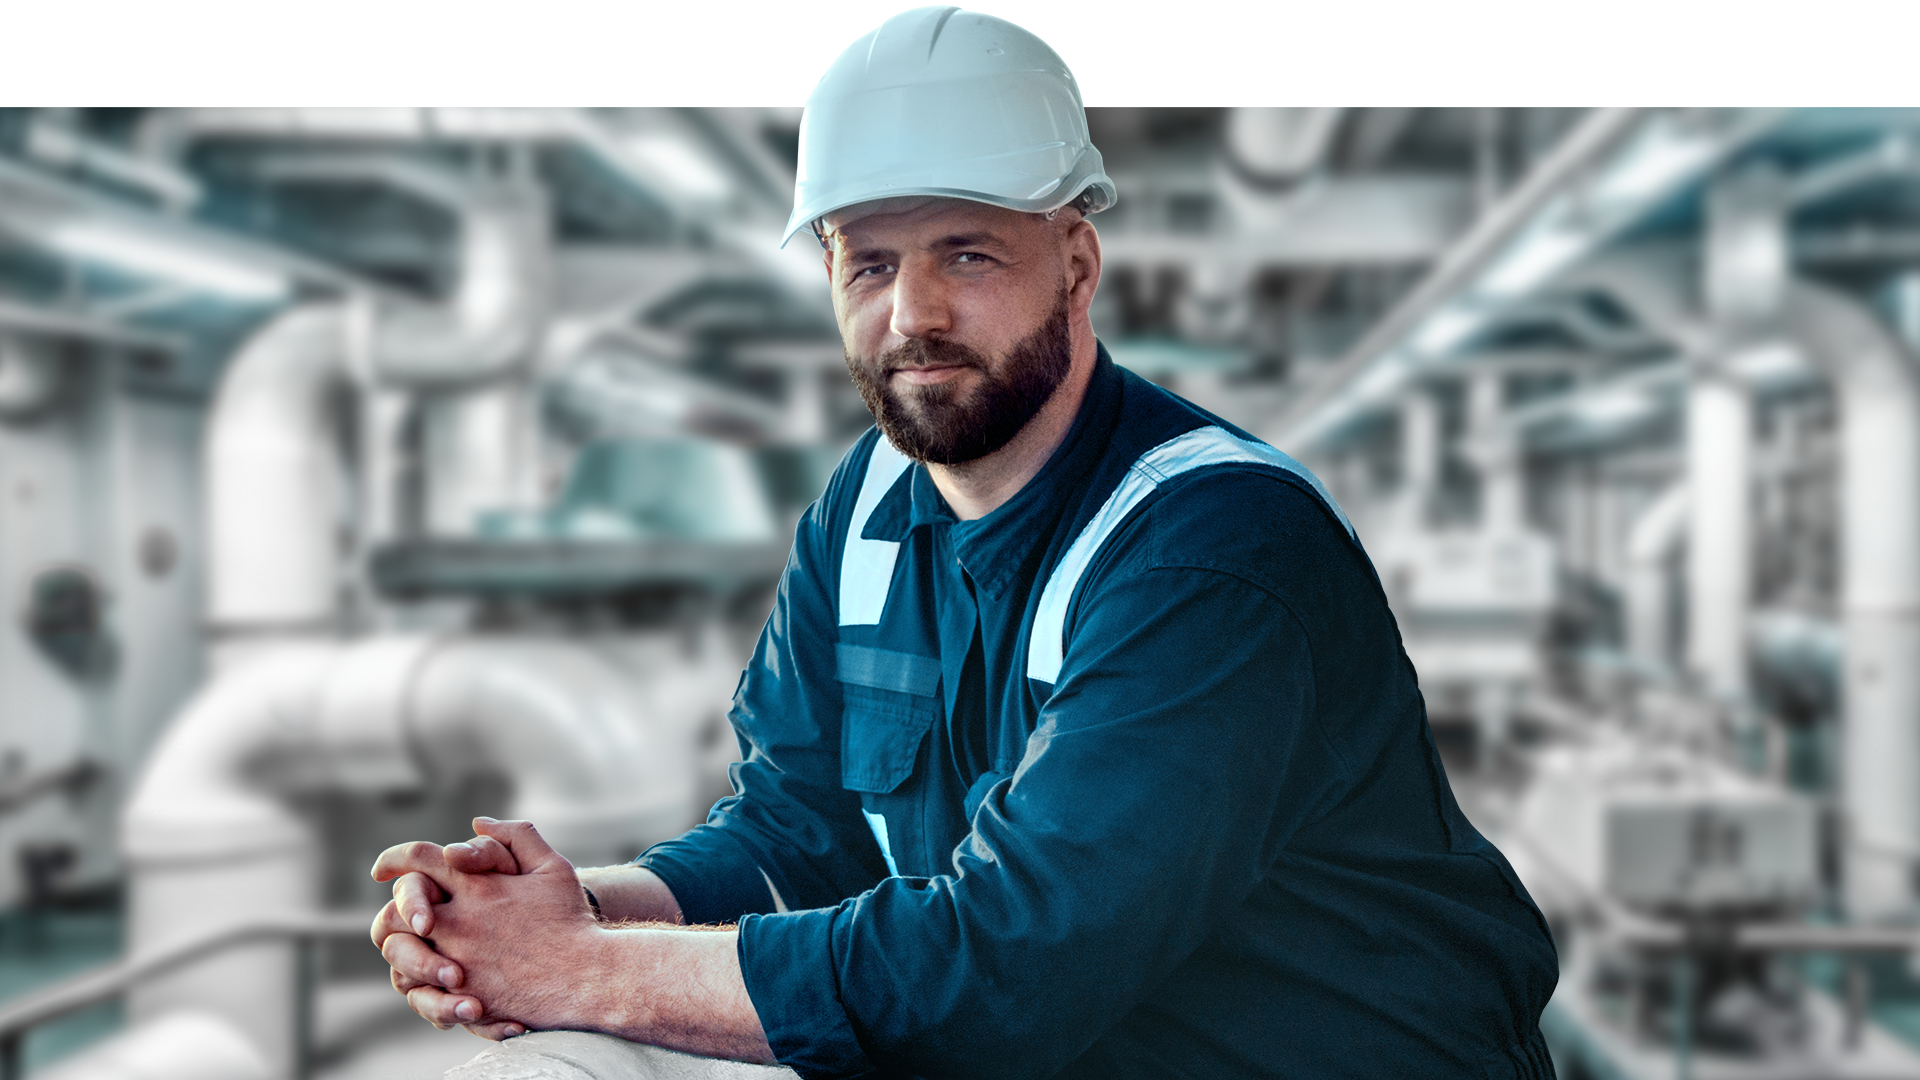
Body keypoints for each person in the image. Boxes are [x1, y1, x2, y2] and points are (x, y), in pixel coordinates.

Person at [371, 8, 1561, 1078]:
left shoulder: (1216, 549)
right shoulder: (871, 505)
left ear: (1078, 266)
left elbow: (1006, 975)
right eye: (870, 263)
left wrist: (578, 968)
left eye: (970, 254)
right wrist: (561, 911)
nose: (914, 314)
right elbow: (800, 831)